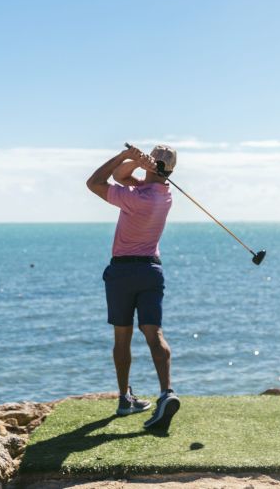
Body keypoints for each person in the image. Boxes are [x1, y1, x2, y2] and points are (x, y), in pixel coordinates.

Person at [86, 144, 180, 430]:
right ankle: (166, 392)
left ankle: (125, 398)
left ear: (154, 166)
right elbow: (122, 178)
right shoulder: (163, 195)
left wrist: (126, 157)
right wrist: (138, 163)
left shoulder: (137, 198)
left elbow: (96, 183)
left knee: (122, 337)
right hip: (151, 271)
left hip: (123, 272)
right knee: (154, 333)